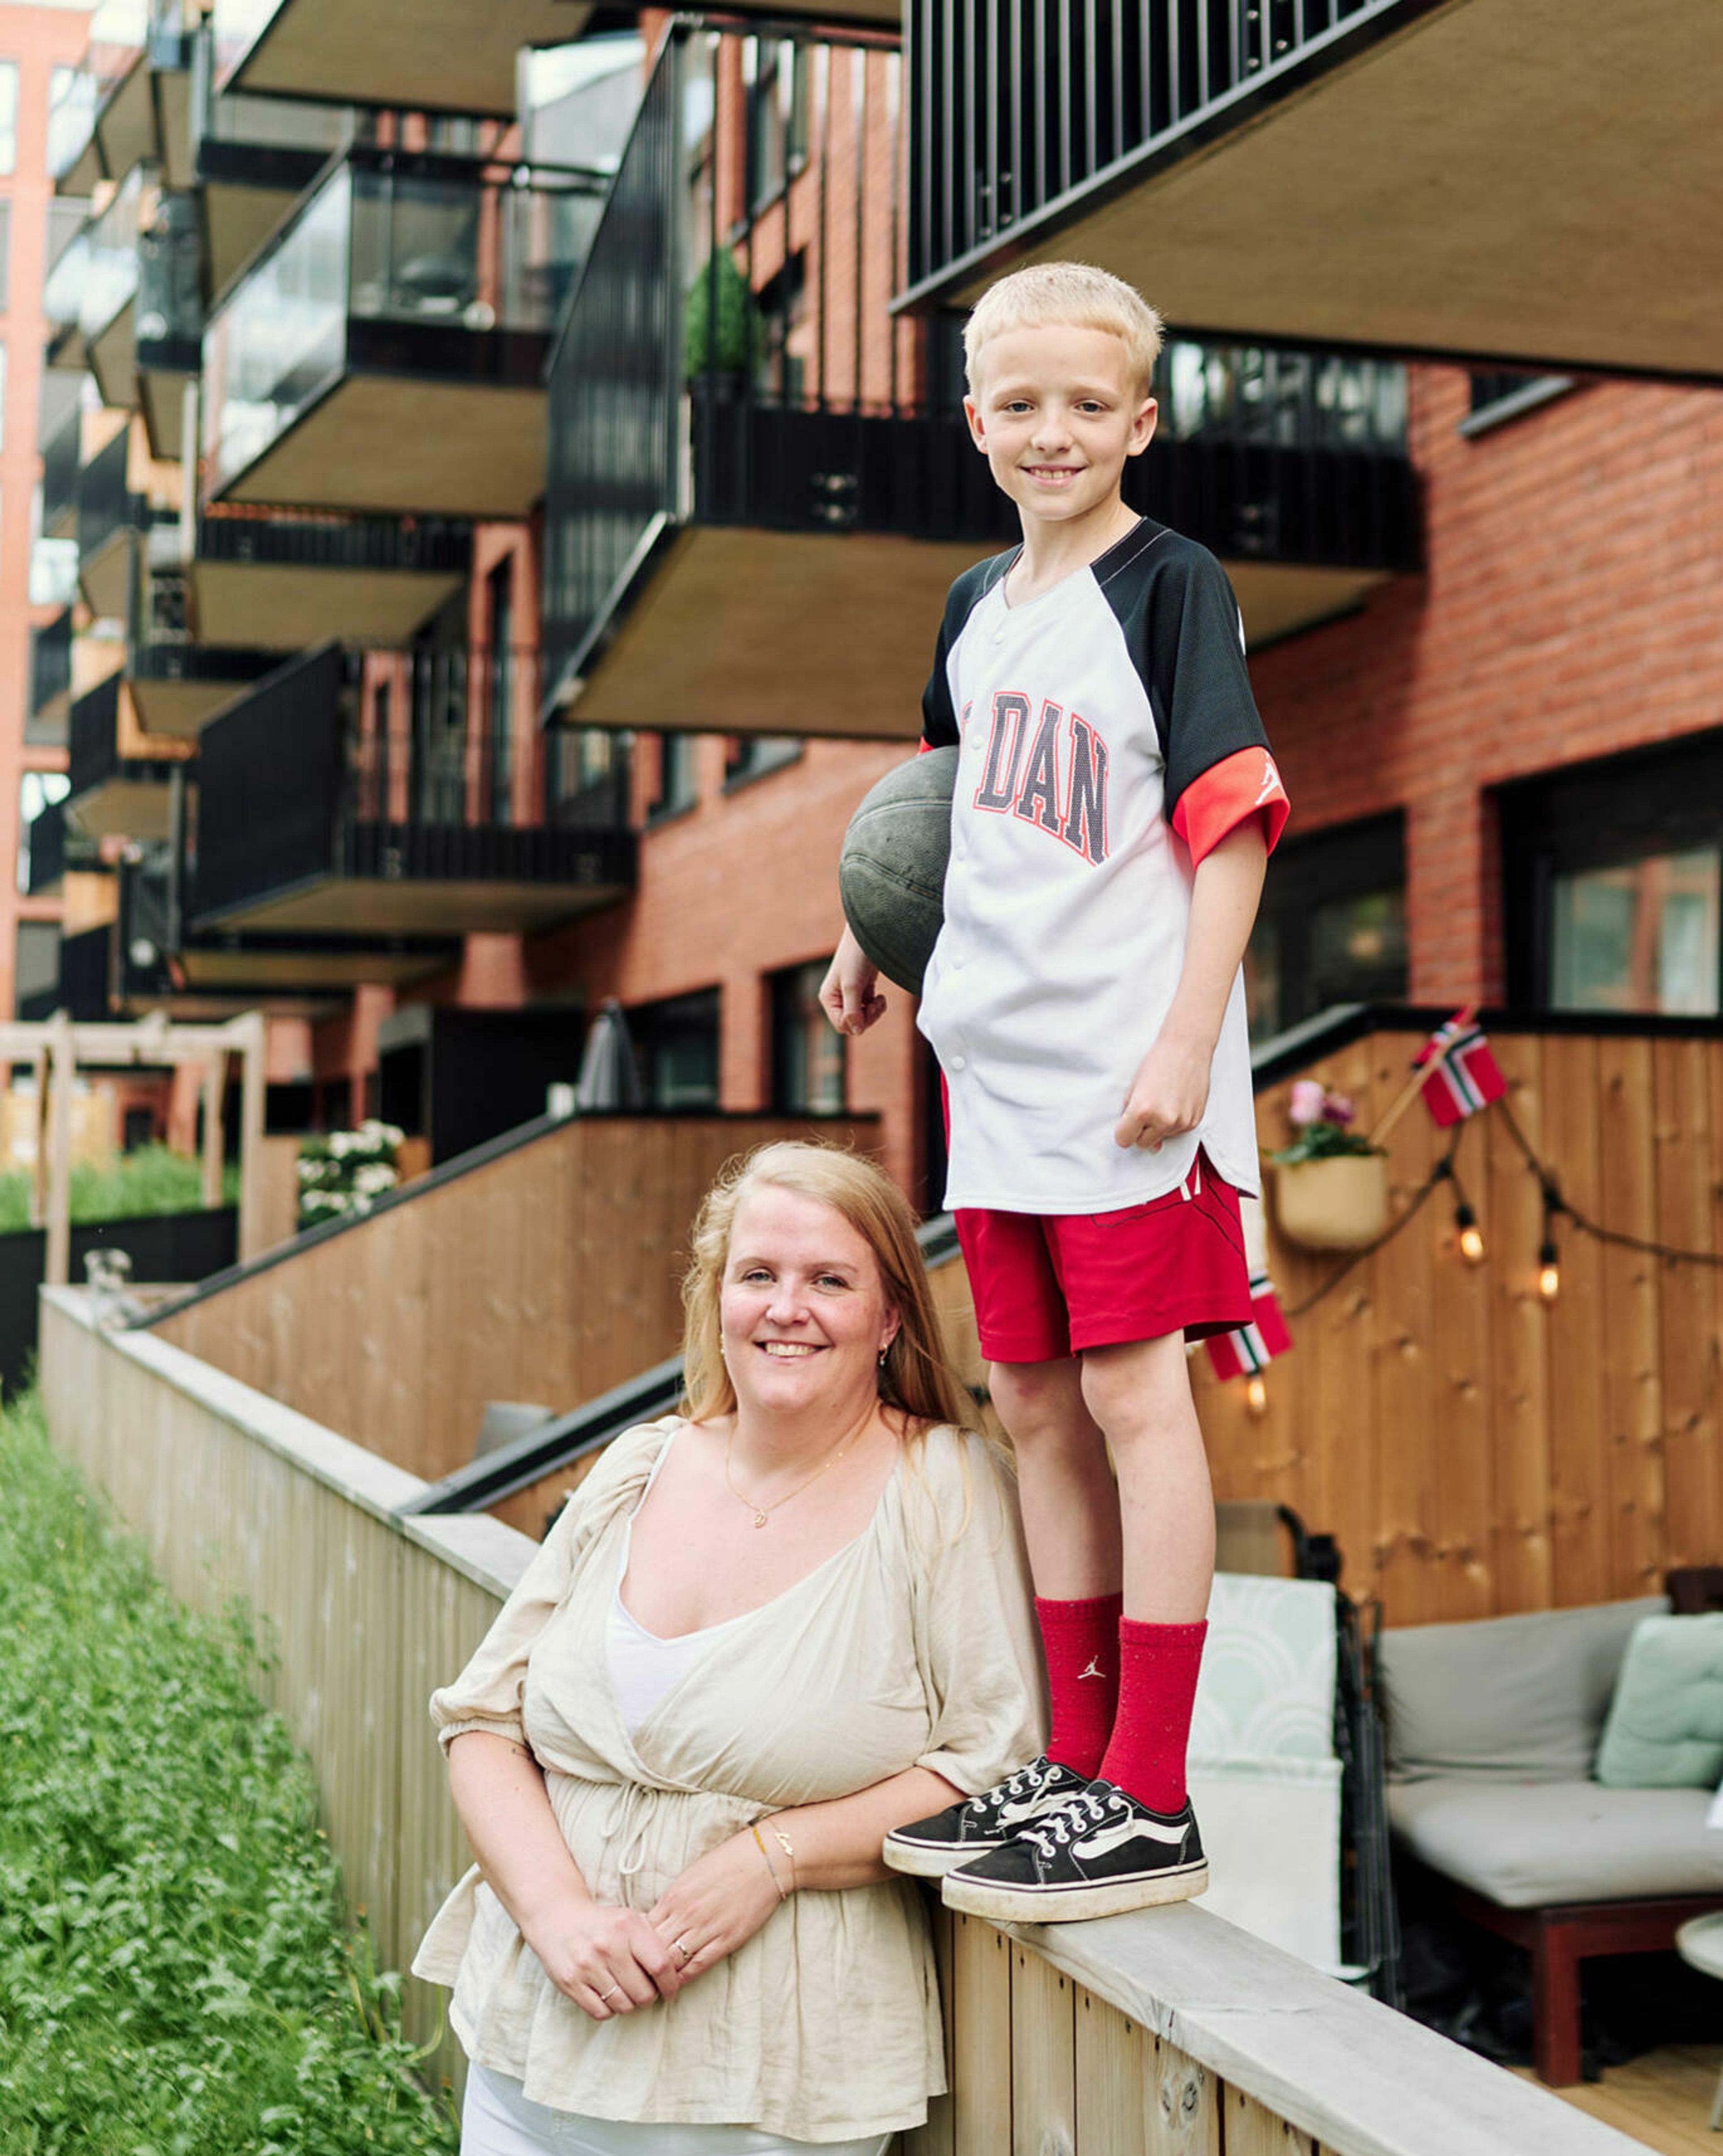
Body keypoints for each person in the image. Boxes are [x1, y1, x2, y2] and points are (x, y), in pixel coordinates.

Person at [821, 262, 1290, 1924]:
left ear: (1142, 420)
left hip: (1130, 1082)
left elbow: (1230, 824)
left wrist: (1184, 1034)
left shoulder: (1173, 587)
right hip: (996, 1072)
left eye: (1090, 403)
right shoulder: (973, 609)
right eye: (1020, 402)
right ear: (974, 423)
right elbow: (943, 810)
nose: (1054, 429)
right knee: (1030, 1409)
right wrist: (866, 938)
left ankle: (1149, 1793)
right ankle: (1076, 1766)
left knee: (1135, 1401)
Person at [412, 1140, 1044, 2155]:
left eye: (829, 1280)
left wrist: (774, 1855)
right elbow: (482, 1719)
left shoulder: (945, 1485)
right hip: (533, 2039)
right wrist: (558, 1913)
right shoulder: (640, 1464)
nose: (785, 1307)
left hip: (767, 2077)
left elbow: (994, 1760)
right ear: (718, 1299)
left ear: (889, 1316)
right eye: (758, 1274)